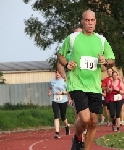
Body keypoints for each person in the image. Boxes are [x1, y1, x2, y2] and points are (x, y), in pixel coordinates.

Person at [57, 9, 115, 150]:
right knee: (85, 118)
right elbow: (60, 56)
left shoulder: (101, 40)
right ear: (82, 21)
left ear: (95, 22)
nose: (90, 23)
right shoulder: (72, 38)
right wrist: (66, 64)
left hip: (94, 85)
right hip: (77, 83)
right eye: (87, 20)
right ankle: (77, 137)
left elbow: (112, 60)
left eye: (92, 20)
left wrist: (105, 61)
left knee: (94, 122)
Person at [48, 70, 70, 139]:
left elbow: (69, 90)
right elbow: (49, 87)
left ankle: (66, 126)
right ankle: (57, 133)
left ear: (61, 74)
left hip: (63, 100)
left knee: (63, 117)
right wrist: (49, 92)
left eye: (59, 73)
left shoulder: (64, 81)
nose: (57, 74)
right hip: (55, 100)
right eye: (56, 72)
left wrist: (62, 93)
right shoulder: (52, 81)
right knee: (56, 116)